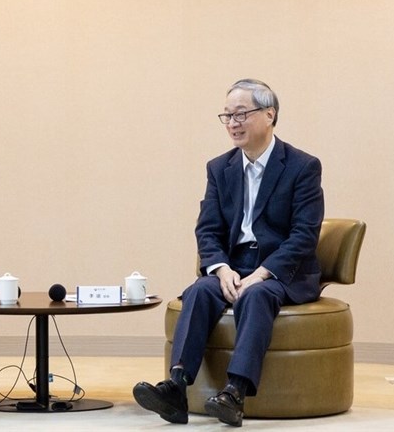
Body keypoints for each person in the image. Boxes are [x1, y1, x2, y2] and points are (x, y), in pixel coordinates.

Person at [133, 79, 324, 427]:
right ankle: (176, 387)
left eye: (241, 114)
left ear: (270, 114)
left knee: (257, 296)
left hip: (282, 270)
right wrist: (221, 269)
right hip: (233, 266)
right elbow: (207, 229)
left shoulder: (302, 166)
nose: (233, 123)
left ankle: (234, 393)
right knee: (200, 291)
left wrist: (261, 273)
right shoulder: (219, 168)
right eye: (227, 116)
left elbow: (304, 235)